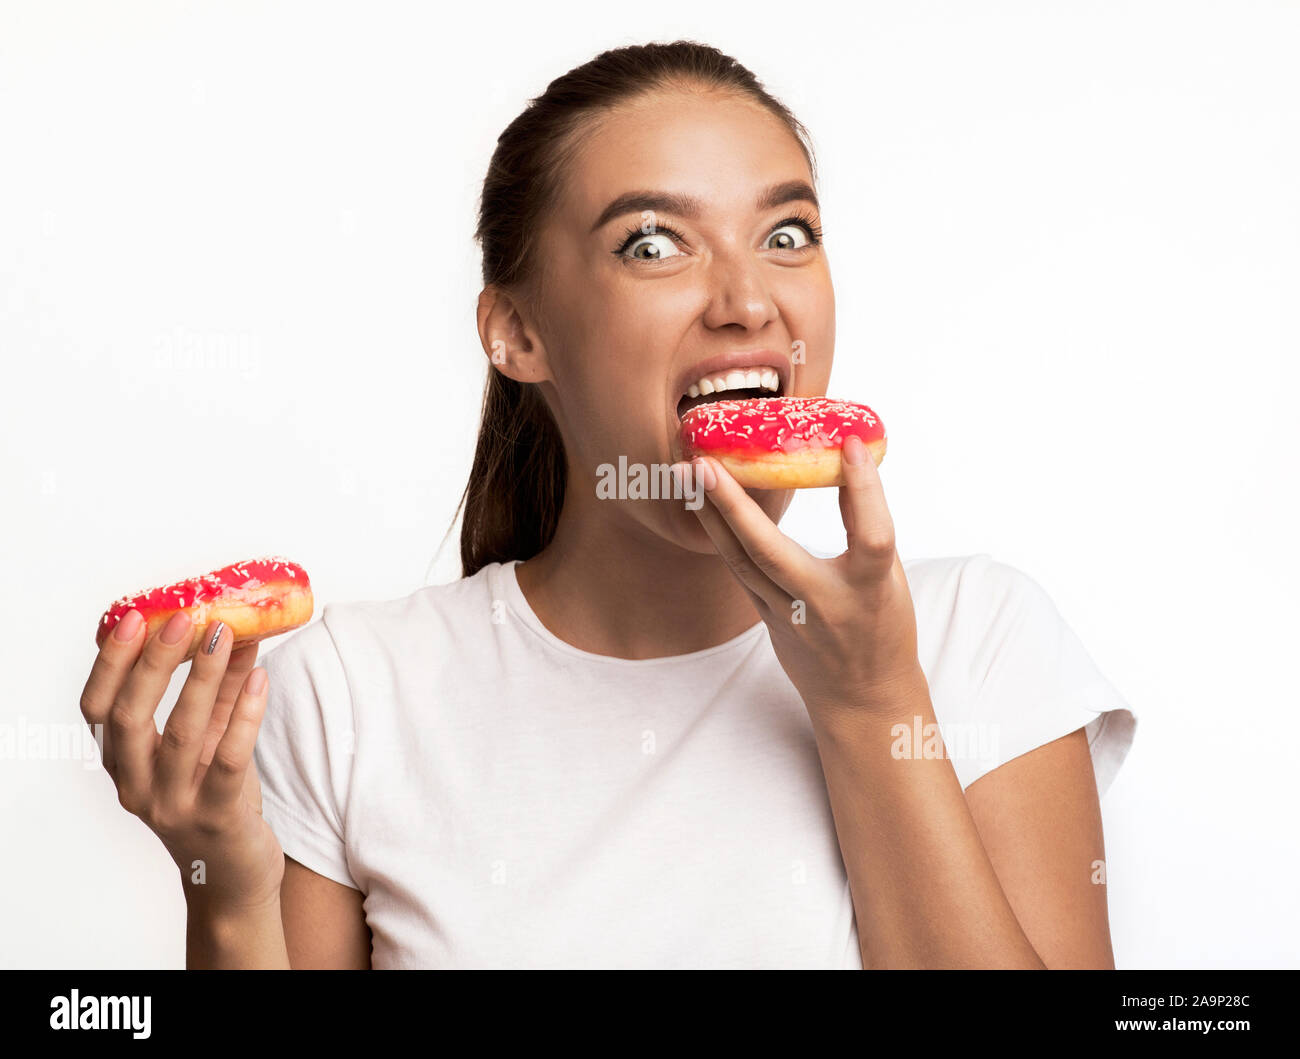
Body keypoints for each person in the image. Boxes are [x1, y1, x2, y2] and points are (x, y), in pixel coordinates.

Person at [79, 40, 1136, 970]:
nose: (748, 302)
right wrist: (222, 885)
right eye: (652, 244)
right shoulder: (352, 696)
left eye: (787, 234)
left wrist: (872, 706)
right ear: (517, 334)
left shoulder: (979, 640)